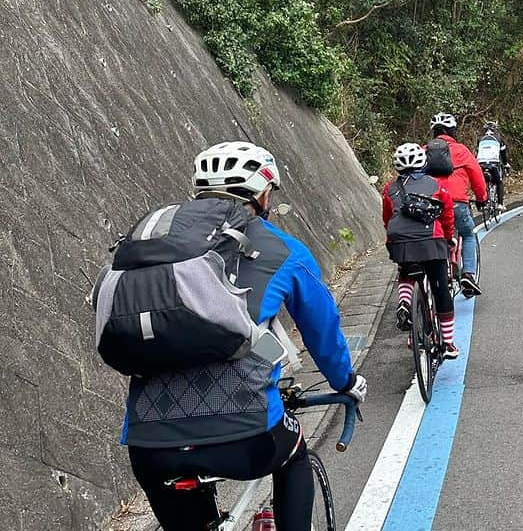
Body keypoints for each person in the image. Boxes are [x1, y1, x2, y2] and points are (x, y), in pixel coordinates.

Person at [123, 141, 366, 531]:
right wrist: (346, 382)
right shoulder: (283, 249)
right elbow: (322, 330)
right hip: (248, 436)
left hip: (149, 444)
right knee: (294, 455)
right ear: (263, 193)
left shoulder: (155, 244)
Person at [382, 143, 459, 359]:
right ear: (423, 162)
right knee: (441, 288)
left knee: (406, 272)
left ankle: (405, 301)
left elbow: (388, 218)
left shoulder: (389, 188)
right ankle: (448, 344)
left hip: (400, 244)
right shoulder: (436, 185)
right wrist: (449, 238)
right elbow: (447, 216)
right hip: (431, 241)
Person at [428, 113, 487, 297]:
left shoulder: (424, 150)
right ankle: (468, 273)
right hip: (457, 204)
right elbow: (477, 175)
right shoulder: (461, 150)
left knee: (432, 235)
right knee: (468, 234)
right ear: (453, 131)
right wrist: (481, 197)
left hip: (430, 203)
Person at [475, 121, 509, 211]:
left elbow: (478, 152)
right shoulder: (499, 138)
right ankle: (500, 204)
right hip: (494, 162)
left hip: (480, 163)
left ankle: (482, 203)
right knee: (499, 181)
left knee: (482, 182)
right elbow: (503, 154)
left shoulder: (480, 139)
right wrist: (506, 164)